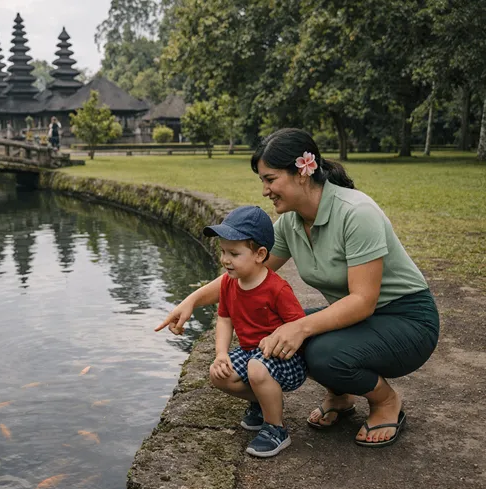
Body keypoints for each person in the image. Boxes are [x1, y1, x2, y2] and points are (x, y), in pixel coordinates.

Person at [156, 128, 439, 448]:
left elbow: (363, 301)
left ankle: (386, 402)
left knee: (313, 346)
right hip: (360, 319)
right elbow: (244, 271)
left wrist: (300, 329)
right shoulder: (291, 224)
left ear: (302, 173)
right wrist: (192, 301)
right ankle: (340, 397)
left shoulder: (356, 213)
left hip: (407, 321)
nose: (265, 190)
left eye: (270, 179)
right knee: (283, 330)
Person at [204, 205, 308, 457]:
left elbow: (299, 327)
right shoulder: (230, 283)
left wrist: (278, 340)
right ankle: (263, 404)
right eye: (223, 252)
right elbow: (224, 319)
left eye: (234, 253)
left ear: (260, 254)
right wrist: (221, 354)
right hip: (251, 354)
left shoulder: (277, 289)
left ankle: (277, 428)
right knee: (218, 375)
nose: (225, 260)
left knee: (256, 368)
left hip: (286, 359)